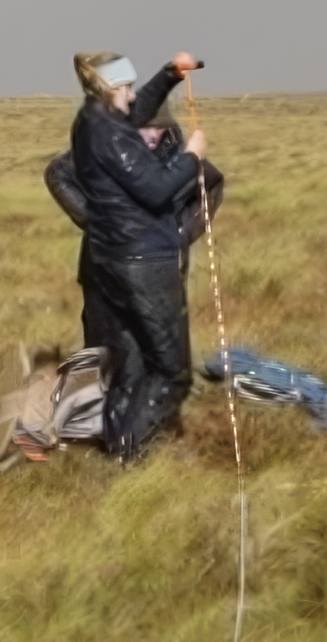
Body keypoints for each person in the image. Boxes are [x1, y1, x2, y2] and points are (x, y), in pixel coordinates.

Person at [51, 48, 222, 458]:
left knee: (126, 370)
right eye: (126, 86)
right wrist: (191, 155)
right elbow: (156, 189)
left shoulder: (92, 120)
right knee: (171, 374)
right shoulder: (111, 133)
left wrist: (170, 74)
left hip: (114, 261)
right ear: (109, 87)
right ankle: (129, 451)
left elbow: (136, 109)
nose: (132, 97)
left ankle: (115, 446)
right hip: (143, 262)